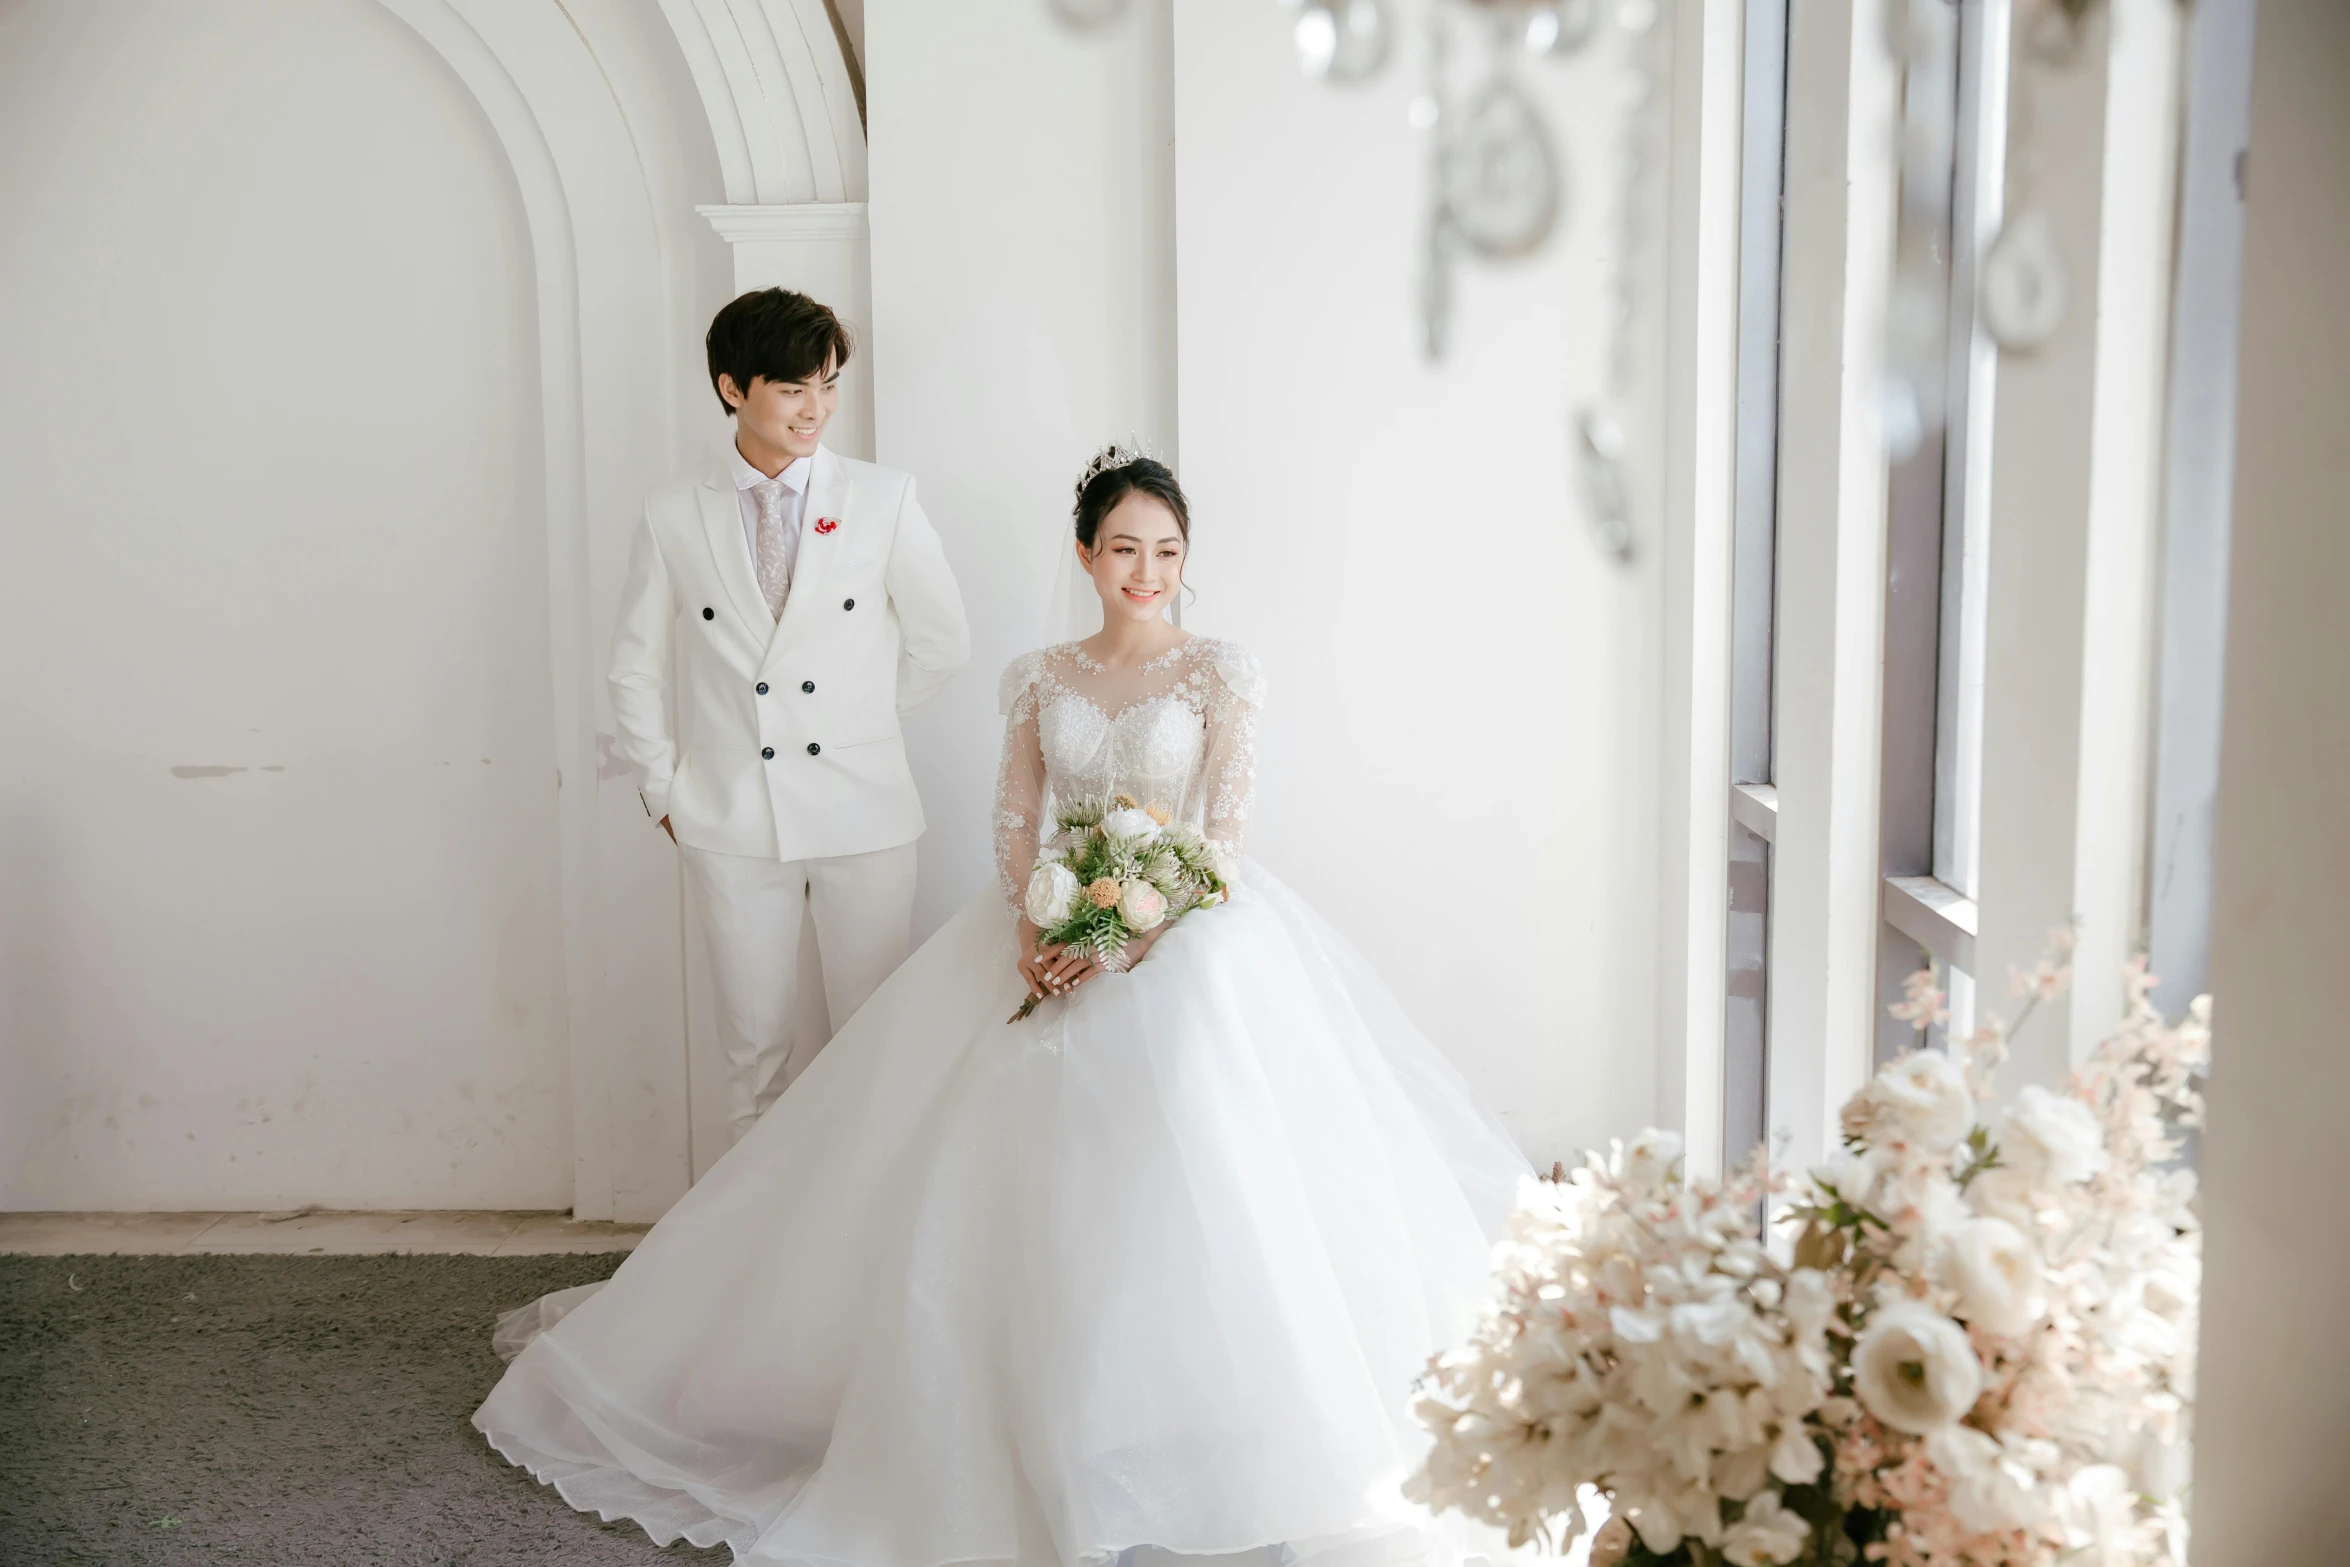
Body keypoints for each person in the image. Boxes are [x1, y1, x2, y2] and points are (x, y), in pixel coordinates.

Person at [476, 446, 1532, 1567]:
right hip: (1042, 924)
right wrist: (1039, 920)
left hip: (1188, 931)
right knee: (974, 1143)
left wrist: (1137, 925)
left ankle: (1186, 1415)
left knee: (1190, 1131)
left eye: (1167, 551)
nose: (1147, 570)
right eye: (1124, 547)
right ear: (1085, 553)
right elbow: (1017, 807)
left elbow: (1223, 831)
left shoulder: (1223, 671)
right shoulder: (1039, 675)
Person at [608, 288, 969, 1143]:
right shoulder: (672, 510)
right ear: (734, 387)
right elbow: (634, 666)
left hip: (864, 810)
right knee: (754, 1054)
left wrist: (857, 726)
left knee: (875, 1040)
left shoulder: (883, 498)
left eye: (829, 384)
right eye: (795, 388)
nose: (818, 408)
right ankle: (749, 1262)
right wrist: (665, 792)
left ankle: (866, 1242)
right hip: (729, 816)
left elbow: (941, 644)